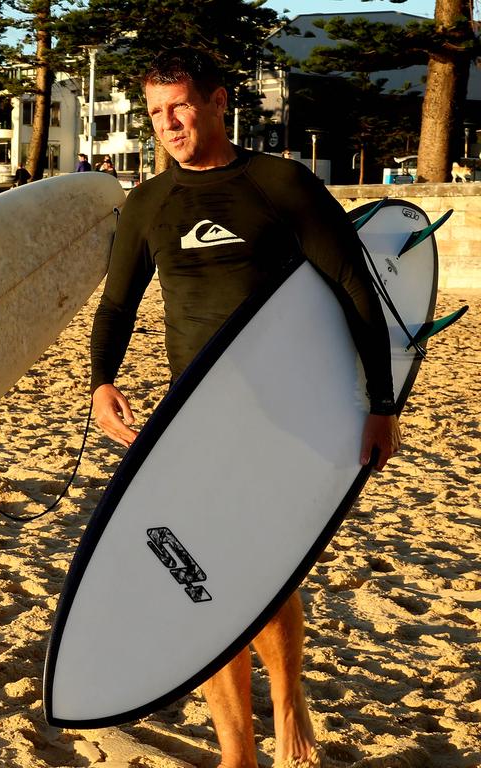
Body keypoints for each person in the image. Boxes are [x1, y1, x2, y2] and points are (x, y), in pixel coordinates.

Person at [89, 48, 400, 768]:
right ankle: (238, 752)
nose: (168, 124)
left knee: (267, 575)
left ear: (219, 102)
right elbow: (114, 306)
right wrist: (102, 379)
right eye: (156, 113)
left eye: (181, 107)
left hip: (286, 414)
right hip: (193, 422)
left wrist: (382, 404)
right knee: (206, 580)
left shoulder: (278, 183)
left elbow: (357, 289)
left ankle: (289, 702)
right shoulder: (149, 202)